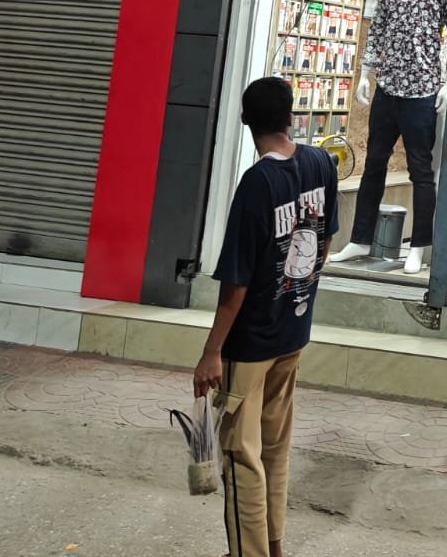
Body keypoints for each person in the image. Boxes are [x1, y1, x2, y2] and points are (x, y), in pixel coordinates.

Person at [193, 76, 339, 557]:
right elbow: (325, 239)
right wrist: (301, 292)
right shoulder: (321, 162)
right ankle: (274, 547)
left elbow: (235, 283)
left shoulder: (257, 183)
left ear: (245, 121)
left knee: (241, 457)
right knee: (274, 450)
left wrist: (211, 352)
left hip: (251, 343)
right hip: (293, 333)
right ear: (291, 117)